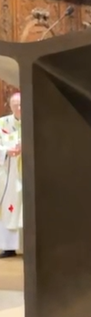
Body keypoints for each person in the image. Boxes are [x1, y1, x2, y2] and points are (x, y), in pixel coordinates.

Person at [0, 93, 22, 258]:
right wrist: (7, 151)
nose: (18, 108)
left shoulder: (34, 121)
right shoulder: (2, 124)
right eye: (15, 104)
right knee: (10, 208)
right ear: (10, 106)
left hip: (28, 173)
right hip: (9, 174)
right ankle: (9, 246)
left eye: (21, 104)